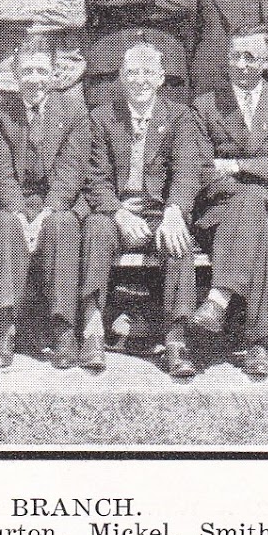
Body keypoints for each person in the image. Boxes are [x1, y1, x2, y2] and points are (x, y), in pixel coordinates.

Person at [79, 42, 210, 378]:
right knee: (94, 228)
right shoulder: (102, 116)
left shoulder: (180, 116)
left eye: (148, 72)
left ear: (161, 77)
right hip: (116, 211)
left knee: (179, 241)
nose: (140, 80)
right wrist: (119, 213)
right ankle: (93, 330)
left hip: (158, 212)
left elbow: (187, 169)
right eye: (132, 72)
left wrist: (174, 211)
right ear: (121, 76)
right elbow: (95, 176)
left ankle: (176, 341)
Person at [188, 27, 268, 380]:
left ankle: (219, 299)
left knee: (254, 205)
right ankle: (259, 342)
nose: (241, 65)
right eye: (234, 57)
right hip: (222, 210)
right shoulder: (206, 105)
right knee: (256, 215)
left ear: (267, 61)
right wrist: (258, 171)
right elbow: (201, 169)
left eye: (250, 58)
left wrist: (237, 165)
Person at [0, 39, 91, 370]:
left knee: (63, 225)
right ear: (15, 76)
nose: (34, 79)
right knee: (5, 225)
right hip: (12, 198)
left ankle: (63, 330)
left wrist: (46, 213)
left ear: (53, 74)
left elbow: (71, 171)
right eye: (26, 71)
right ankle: (4, 328)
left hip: (55, 199)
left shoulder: (73, 110)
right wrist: (18, 211)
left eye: (41, 71)